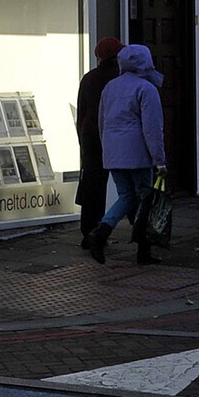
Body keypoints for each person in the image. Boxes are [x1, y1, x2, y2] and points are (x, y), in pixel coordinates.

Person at [82, 42, 166, 266]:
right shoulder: (146, 88)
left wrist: (107, 150)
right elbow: (152, 127)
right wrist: (159, 160)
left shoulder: (111, 87)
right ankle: (143, 250)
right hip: (138, 153)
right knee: (144, 199)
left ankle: (101, 232)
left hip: (113, 153)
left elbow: (102, 121)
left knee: (126, 197)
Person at [74, 36, 123, 244]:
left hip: (90, 134)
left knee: (93, 184)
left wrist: (81, 141)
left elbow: (82, 112)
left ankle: (89, 231)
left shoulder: (89, 78)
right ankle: (140, 231)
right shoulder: (119, 78)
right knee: (129, 186)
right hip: (114, 134)